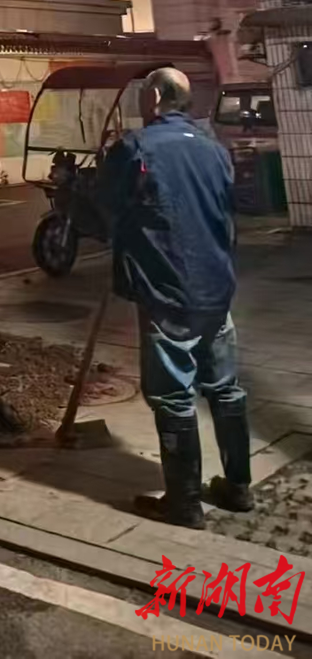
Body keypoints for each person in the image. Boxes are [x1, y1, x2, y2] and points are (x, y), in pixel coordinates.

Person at [98, 66, 251, 530]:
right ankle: (238, 487)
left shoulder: (135, 148)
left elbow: (107, 207)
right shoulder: (213, 150)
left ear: (154, 98)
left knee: (172, 396)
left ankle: (184, 504)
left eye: (144, 93)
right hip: (216, 289)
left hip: (167, 291)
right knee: (225, 388)